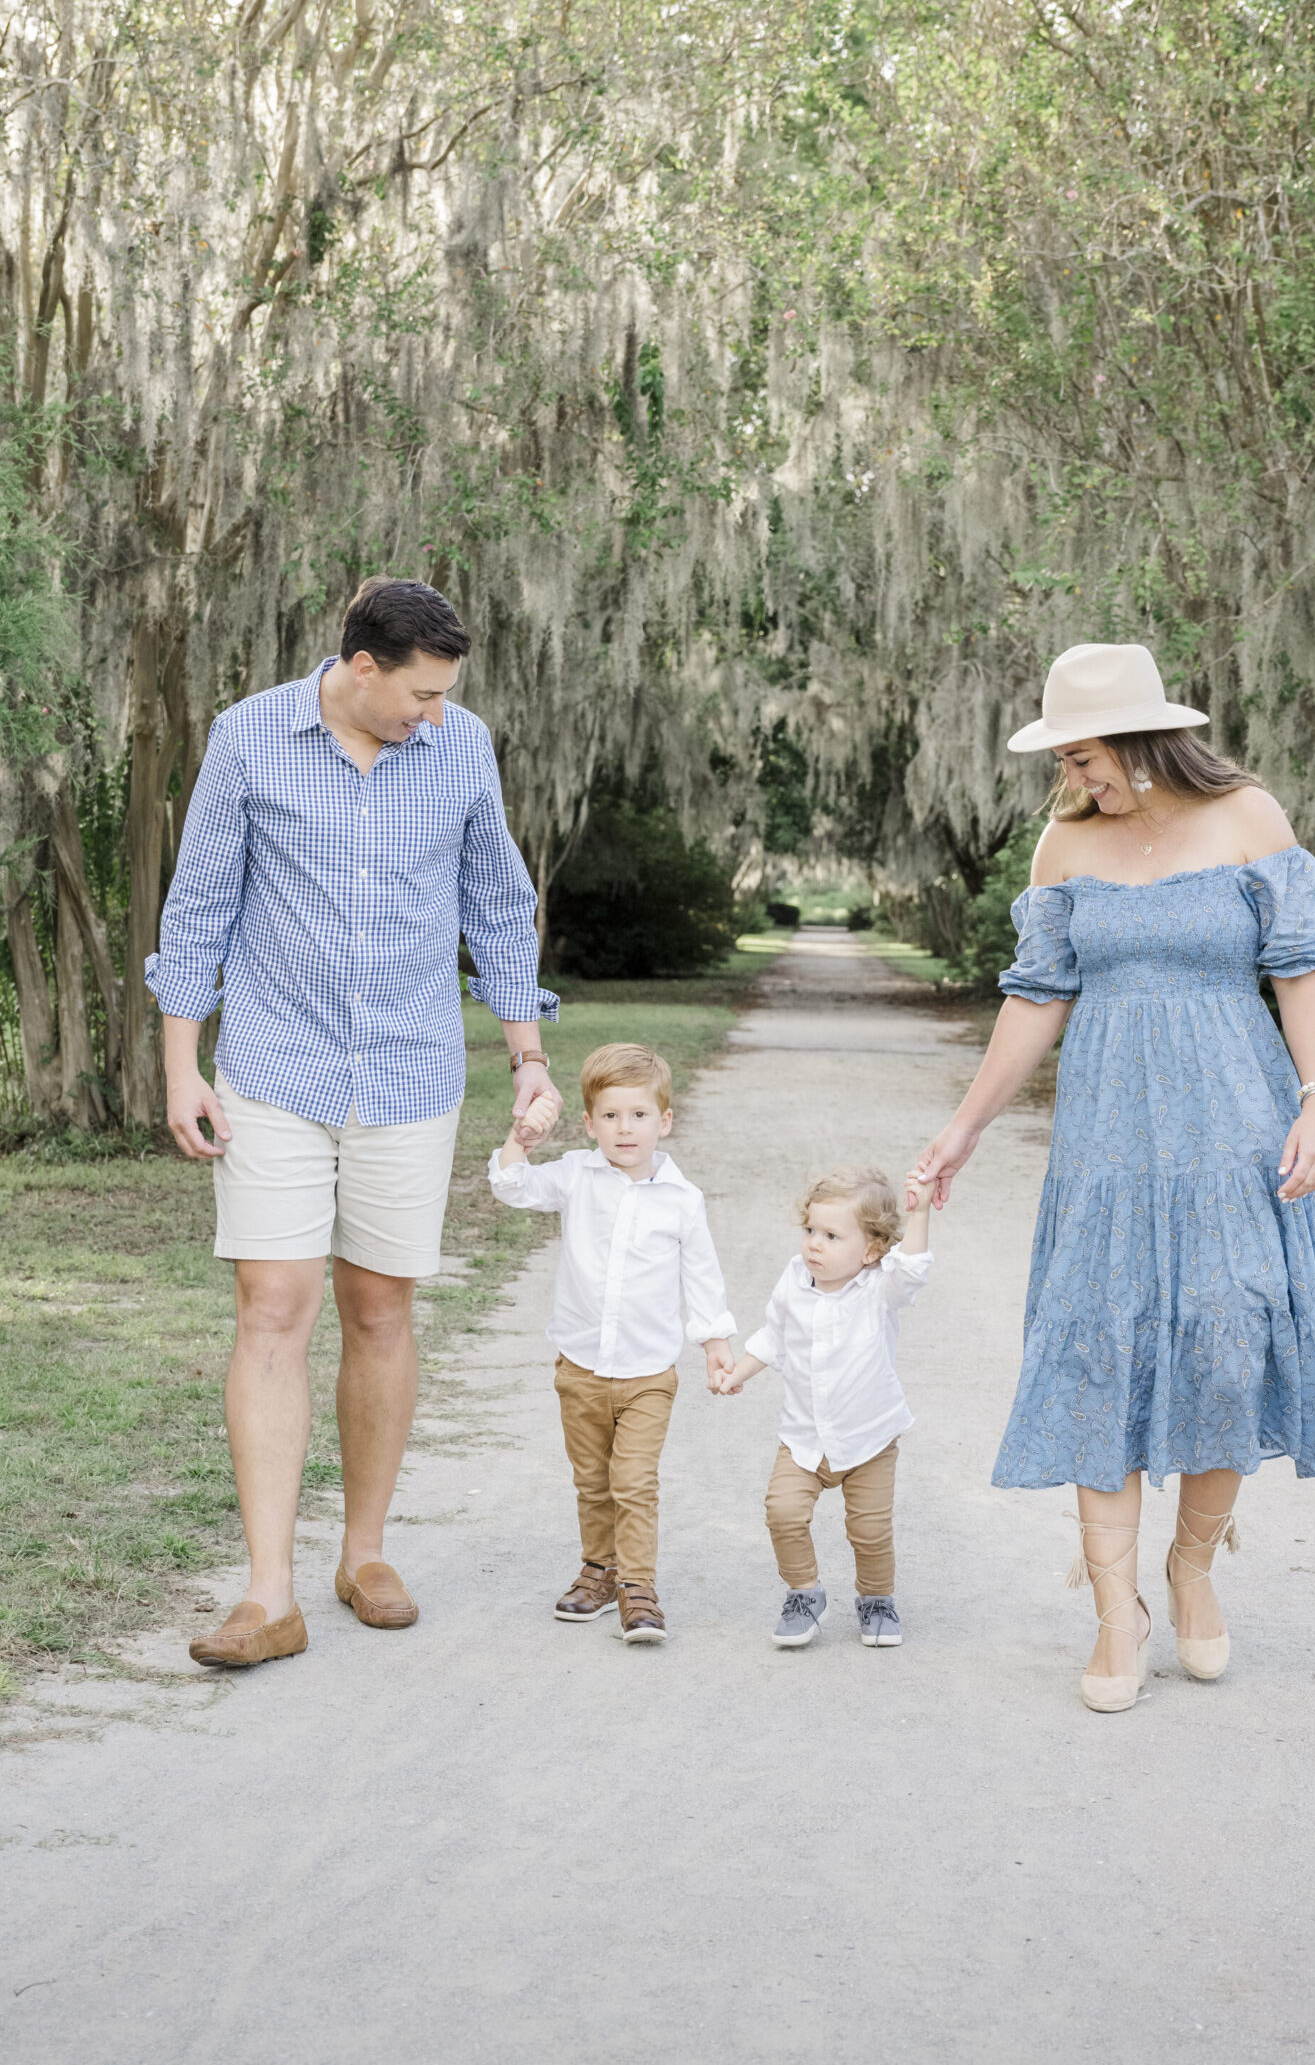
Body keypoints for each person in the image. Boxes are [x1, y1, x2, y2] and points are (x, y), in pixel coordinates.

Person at [912, 642, 1315, 1713]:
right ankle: (1115, 1611)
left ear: (1139, 737)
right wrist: (964, 1128)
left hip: (1237, 1123)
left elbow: (1302, 971)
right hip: (1111, 1137)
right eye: (1067, 761)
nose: (1073, 779)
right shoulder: (1063, 844)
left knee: (1228, 1338)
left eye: (1082, 757)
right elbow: (1037, 998)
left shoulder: (1250, 817)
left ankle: (1194, 1567)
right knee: (1099, 1348)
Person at [148, 577, 560, 1670]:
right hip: (277, 1066)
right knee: (271, 1303)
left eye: (444, 696)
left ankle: (364, 1553)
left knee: (378, 1306)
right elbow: (198, 908)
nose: (434, 713)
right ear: (361, 666)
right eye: (419, 693)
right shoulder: (249, 738)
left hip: (411, 1070)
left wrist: (527, 1058)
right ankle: (267, 1592)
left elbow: (498, 904)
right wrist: (182, 1065)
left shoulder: (460, 748)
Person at [488, 1042, 735, 1643]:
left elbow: (701, 1275)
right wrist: (521, 1138)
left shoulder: (682, 1199)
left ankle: (638, 1587)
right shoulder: (575, 1174)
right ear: (589, 1122)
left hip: (648, 1372)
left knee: (633, 1482)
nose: (625, 1129)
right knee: (592, 1481)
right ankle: (599, 1572)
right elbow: (511, 1186)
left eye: (640, 1115)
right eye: (611, 1116)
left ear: (664, 1121)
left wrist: (714, 1340)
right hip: (579, 1366)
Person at [720, 1166, 935, 1651]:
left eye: (832, 1236)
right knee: (783, 1512)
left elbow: (914, 1269)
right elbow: (772, 1336)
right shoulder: (794, 1281)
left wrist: (919, 1212)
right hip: (803, 1437)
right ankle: (804, 1593)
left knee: (870, 1528)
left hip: (869, 1439)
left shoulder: (881, 1288)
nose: (815, 1244)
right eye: (811, 1231)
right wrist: (737, 1372)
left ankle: (876, 1599)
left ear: (871, 1249)